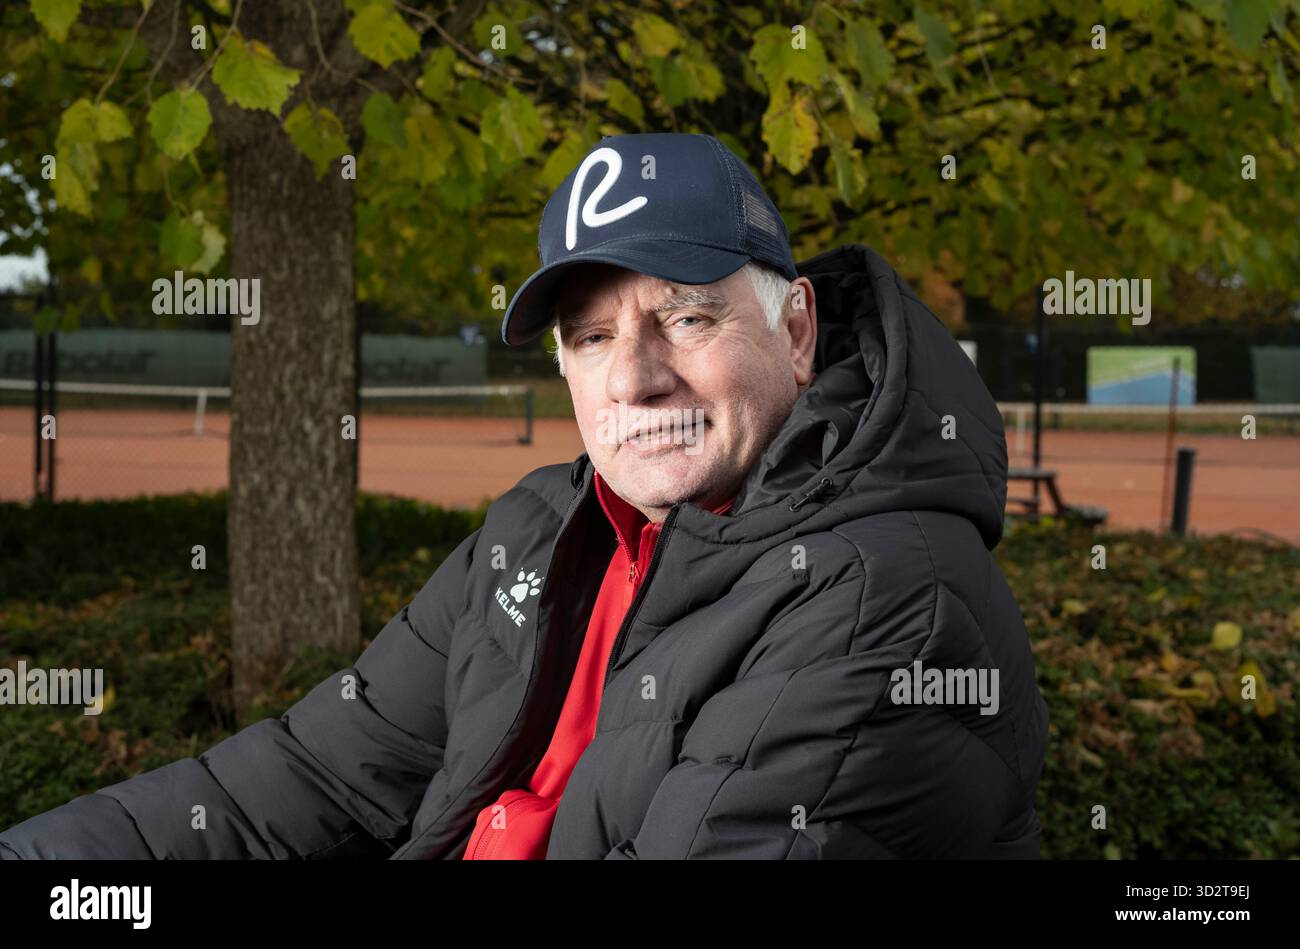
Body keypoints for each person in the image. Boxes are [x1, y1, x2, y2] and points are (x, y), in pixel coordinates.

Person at [0, 132, 1047, 860]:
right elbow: (315, 775)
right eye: (593, 337)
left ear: (797, 329)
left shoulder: (887, 597)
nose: (634, 378)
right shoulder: (541, 530)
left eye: (685, 317)